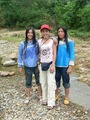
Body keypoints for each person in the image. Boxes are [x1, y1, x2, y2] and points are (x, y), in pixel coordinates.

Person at [18, 27, 42, 104]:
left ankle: (40, 96)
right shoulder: (23, 44)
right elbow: (20, 55)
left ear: (33, 34)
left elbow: (39, 53)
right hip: (27, 65)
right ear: (26, 34)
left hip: (36, 65)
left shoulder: (36, 43)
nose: (30, 34)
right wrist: (20, 66)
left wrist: (39, 63)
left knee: (39, 81)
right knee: (28, 81)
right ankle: (28, 96)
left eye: (31, 33)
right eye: (28, 32)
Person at [38, 24, 56, 110]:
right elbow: (38, 53)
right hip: (42, 64)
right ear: (41, 32)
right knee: (43, 83)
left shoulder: (53, 41)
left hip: (50, 65)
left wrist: (53, 64)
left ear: (49, 32)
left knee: (50, 83)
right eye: (43, 31)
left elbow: (54, 54)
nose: (45, 33)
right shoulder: (39, 42)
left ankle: (51, 102)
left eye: (46, 31)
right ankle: (44, 99)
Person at [55, 26, 74, 105]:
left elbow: (71, 54)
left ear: (65, 33)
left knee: (66, 82)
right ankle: (56, 95)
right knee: (56, 81)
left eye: (62, 31)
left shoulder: (69, 42)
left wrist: (70, 66)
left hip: (65, 65)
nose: (60, 33)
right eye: (59, 31)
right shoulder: (56, 41)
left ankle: (66, 97)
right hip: (56, 65)